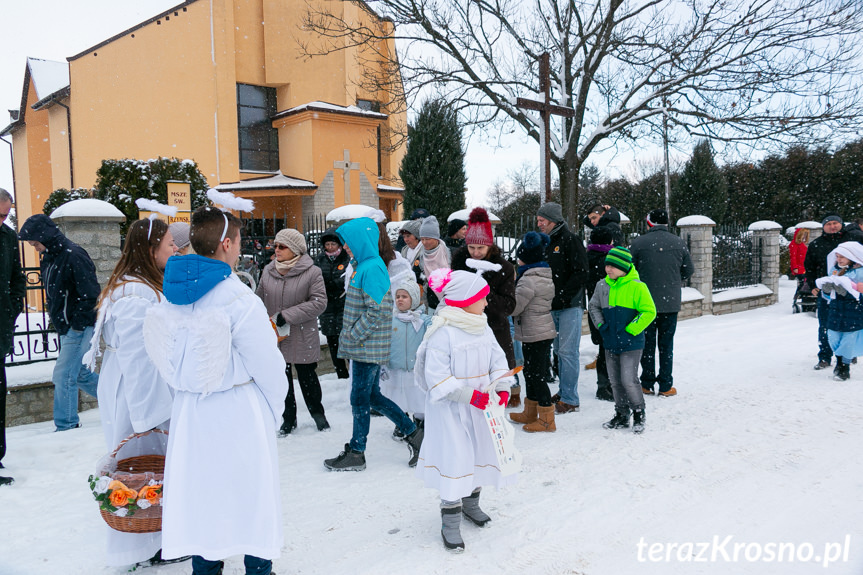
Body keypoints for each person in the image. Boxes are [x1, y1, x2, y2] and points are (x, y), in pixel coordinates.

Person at [143, 206, 288, 575]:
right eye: (238, 241)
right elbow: (267, 363)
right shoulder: (237, 298)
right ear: (226, 244)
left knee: (202, 493)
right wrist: (275, 409)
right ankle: (258, 566)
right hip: (237, 408)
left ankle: (205, 566)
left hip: (193, 410)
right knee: (251, 491)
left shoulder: (170, 293)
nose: (240, 248)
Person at [84, 217, 177, 567]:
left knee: (147, 470)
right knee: (140, 468)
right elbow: (139, 354)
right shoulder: (136, 293)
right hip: (137, 391)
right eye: (169, 244)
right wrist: (147, 415)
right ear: (151, 250)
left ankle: (154, 539)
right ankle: (145, 545)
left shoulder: (136, 285)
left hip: (133, 384)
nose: (176, 249)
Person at [414, 266, 516, 552]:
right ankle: (450, 519)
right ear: (464, 300)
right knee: (456, 458)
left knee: (479, 453)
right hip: (452, 411)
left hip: (482, 409)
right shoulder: (442, 333)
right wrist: (469, 395)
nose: (486, 302)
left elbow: (498, 359)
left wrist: (503, 386)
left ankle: (471, 504)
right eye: (482, 297)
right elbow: (438, 378)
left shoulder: (481, 325)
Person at [324, 217, 423, 471]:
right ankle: (413, 434)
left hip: (368, 344)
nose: (345, 247)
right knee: (371, 396)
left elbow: (376, 311)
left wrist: (352, 335)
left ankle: (358, 451)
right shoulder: (362, 266)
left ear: (361, 241)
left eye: (348, 242)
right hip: (364, 343)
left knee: (360, 398)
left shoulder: (372, 268)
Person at [18, 214, 100, 431]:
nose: (34, 248)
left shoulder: (73, 255)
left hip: (78, 327)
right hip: (66, 327)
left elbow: (90, 294)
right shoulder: (51, 257)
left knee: (63, 375)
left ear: (45, 236)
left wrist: (77, 324)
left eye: (35, 243)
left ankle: (66, 426)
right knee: (80, 374)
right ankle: (122, 398)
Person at [256, 228, 329, 434]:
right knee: (282, 379)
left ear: (295, 250)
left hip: (302, 333)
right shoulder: (268, 271)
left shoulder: (312, 272)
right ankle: (288, 419)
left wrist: (288, 315)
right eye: (275, 245)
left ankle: (318, 415)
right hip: (276, 336)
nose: (276, 250)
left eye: (282, 246)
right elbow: (259, 299)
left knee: (308, 378)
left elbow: (319, 302)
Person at [588, 247, 656, 434]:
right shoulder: (602, 286)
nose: (608, 269)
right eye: (607, 265)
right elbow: (593, 306)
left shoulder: (637, 286)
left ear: (624, 267)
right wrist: (602, 326)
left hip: (631, 343)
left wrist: (631, 330)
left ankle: (639, 413)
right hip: (610, 342)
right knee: (615, 381)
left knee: (628, 380)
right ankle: (621, 414)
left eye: (613, 266)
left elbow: (649, 311)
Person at [452, 207, 517, 398]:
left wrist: (483, 293)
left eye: (480, 248)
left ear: (490, 246)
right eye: (471, 247)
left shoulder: (503, 267)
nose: (476, 252)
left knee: (494, 384)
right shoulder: (460, 262)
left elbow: (509, 305)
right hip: (464, 331)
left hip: (494, 331)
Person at [629, 209, 694, 397]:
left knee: (647, 344)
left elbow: (629, 270)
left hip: (645, 302)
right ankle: (665, 385)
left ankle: (647, 383)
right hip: (670, 302)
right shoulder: (679, 242)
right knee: (666, 345)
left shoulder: (639, 243)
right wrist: (673, 280)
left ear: (649, 222)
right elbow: (688, 270)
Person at [536, 202, 589, 414]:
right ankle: (564, 390)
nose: (538, 224)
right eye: (538, 220)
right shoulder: (545, 242)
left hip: (570, 306)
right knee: (558, 351)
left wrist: (563, 297)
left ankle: (570, 399)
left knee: (568, 352)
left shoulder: (571, 240)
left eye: (542, 220)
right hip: (552, 305)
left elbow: (581, 272)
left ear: (553, 221)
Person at [509, 232, 557, 432]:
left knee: (536, 375)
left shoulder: (528, 279)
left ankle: (546, 418)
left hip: (535, 332)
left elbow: (515, 307)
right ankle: (531, 411)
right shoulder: (542, 274)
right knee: (532, 372)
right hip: (540, 331)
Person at [804, 215, 863, 369]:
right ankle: (825, 356)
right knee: (826, 325)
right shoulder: (817, 244)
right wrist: (812, 286)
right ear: (823, 227)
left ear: (841, 224)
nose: (832, 226)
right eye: (828, 224)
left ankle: (847, 355)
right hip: (827, 291)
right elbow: (809, 267)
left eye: (835, 223)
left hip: (852, 295)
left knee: (851, 325)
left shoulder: (853, 239)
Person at [381, 279, 431, 436]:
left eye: (404, 296)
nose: (400, 300)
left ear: (414, 299)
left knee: (418, 398)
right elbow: (383, 343)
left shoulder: (423, 320)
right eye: (397, 296)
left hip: (416, 369)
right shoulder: (391, 320)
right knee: (398, 399)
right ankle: (402, 422)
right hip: (396, 368)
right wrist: (382, 363)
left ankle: (420, 421)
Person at [0, 189, 25, 487]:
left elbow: (17, 277)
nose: (3, 220)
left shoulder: (7, 238)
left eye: (6, 214)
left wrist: (12, 309)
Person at [816, 242, 863, 381]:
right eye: (837, 256)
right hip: (836, 308)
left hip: (854, 309)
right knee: (833, 336)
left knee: (849, 337)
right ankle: (840, 358)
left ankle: (844, 366)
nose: (839, 259)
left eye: (843, 256)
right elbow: (828, 295)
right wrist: (826, 290)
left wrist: (851, 290)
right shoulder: (834, 271)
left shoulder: (860, 272)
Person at [314, 227, 350, 379]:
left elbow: (345, 280)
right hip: (327, 306)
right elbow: (315, 279)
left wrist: (332, 284)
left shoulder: (346, 258)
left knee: (346, 341)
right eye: (327, 245)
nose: (330, 248)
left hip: (343, 305)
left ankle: (352, 374)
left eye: (333, 244)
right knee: (332, 342)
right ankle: (340, 374)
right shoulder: (320, 259)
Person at [584, 226, 615, 401]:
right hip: (612, 308)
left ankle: (604, 385)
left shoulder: (586, 257)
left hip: (594, 307)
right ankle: (607, 385)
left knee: (603, 347)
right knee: (609, 349)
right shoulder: (611, 259)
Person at [417, 215, 451, 310]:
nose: (424, 242)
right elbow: (418, 278)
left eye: (427, 239)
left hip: (450, 301)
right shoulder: (420, 256)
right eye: (422, 239)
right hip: (431, 302)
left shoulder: (448, 253)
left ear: (436, 238)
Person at [790, 227, 810, 300]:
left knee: (804, 282)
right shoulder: (794, 244)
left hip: (803, 267)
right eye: (803, 235)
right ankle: (798, 295)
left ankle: (801, 295)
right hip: (799, 267)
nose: (804, 237)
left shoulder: (801, 244)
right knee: (802, 282)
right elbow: (793, 257)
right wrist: (795, 267)